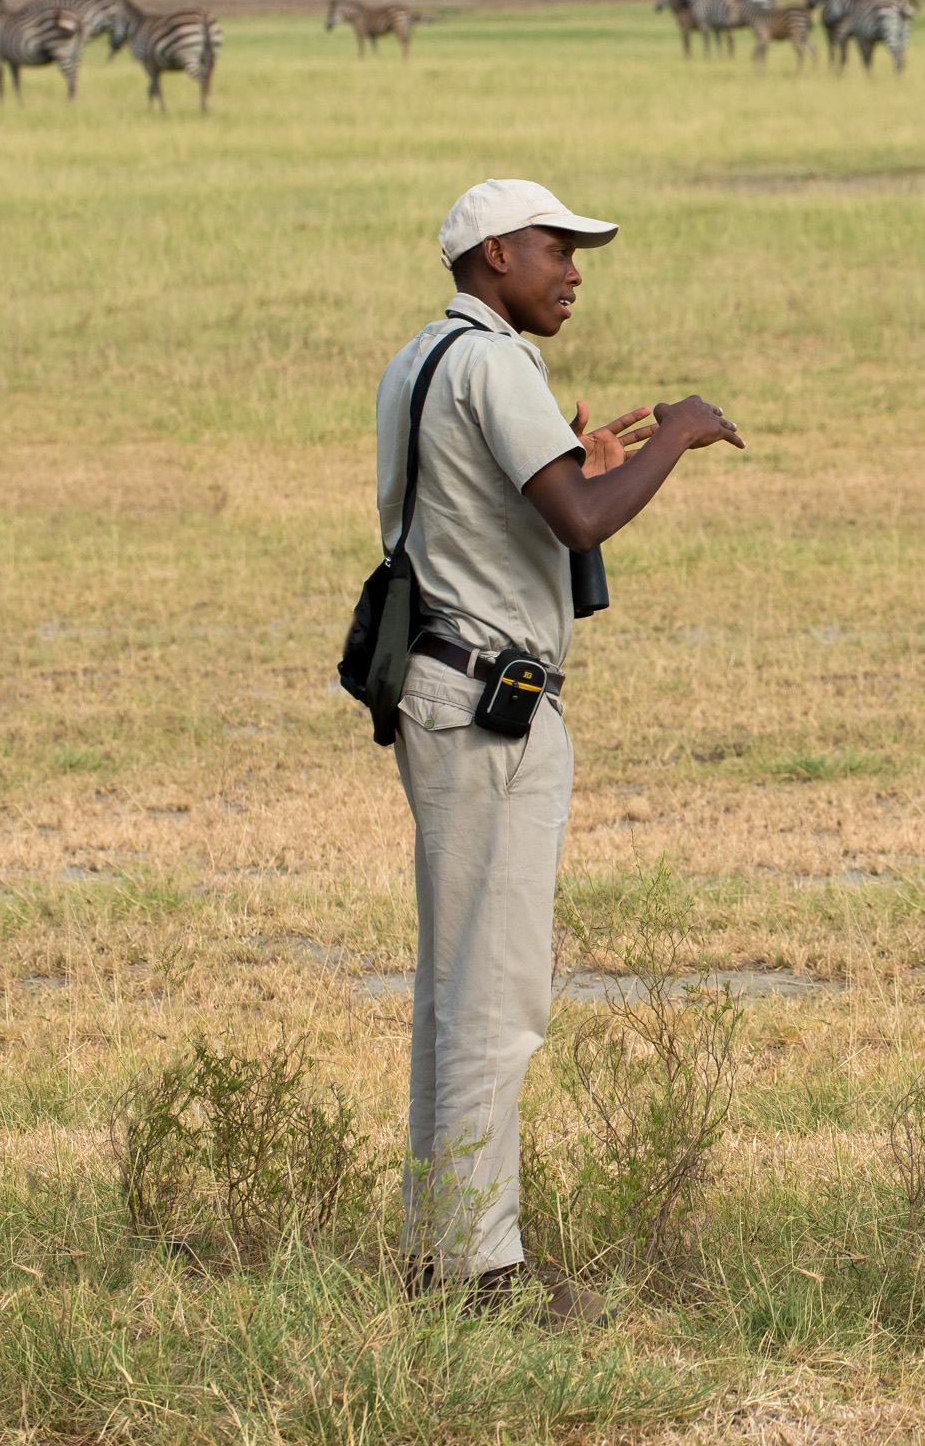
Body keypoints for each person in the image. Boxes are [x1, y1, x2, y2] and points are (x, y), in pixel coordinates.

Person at [377, 177, 743, 1315]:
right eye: (557, 248)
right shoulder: (494, 365)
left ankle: (437, 1250)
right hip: (491, 704)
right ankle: (481, 1270)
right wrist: (677, 433)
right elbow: (578, 519)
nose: (574, 270)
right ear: (495, 254)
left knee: (457, 987)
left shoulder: (425, 356)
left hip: (444, 687)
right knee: (497, 992)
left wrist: (580, 455)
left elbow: (515, 506)